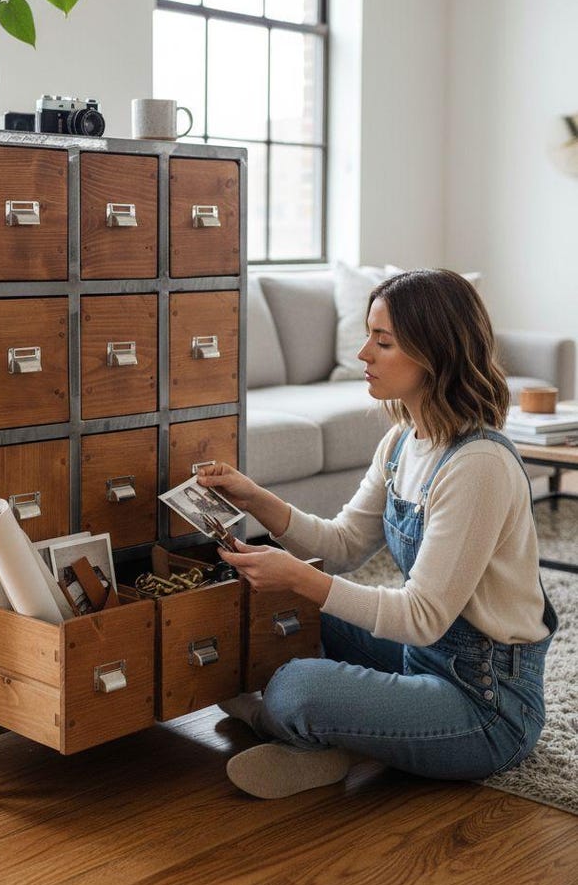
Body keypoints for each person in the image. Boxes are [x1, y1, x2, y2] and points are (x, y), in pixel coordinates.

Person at [196, 269, 558, 799]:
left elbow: (421, 616)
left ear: (435, 353)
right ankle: (337, 738)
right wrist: (254, 498)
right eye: (369, 336)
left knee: (297, 686)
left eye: (382, 341)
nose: (363, 353)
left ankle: (305, 730)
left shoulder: (478, 465)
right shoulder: (400, 443)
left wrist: (297, 577)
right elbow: (341, 545)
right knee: (295, 621)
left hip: (487, 704)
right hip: (424, 662)